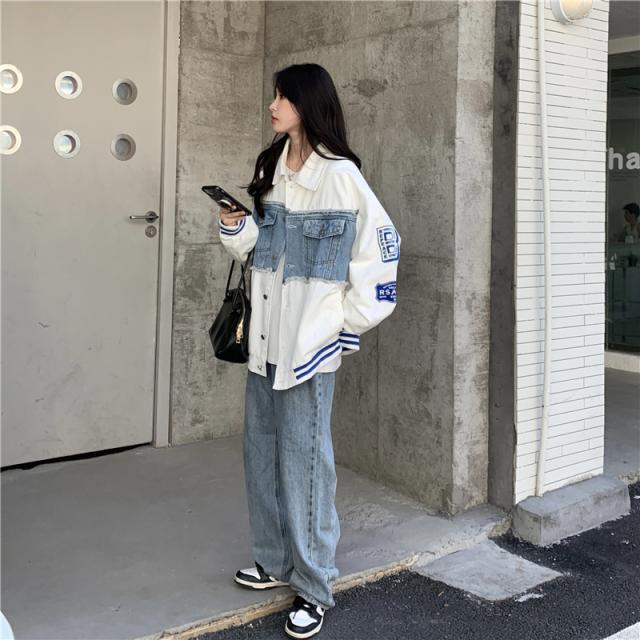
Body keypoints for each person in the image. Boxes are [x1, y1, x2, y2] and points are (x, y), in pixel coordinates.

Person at [216, 63, 401, 638]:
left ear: (307, 103)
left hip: (308, 351)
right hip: (265, 344)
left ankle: (315, 585)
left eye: (282, 96)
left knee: (306, 467)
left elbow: (382, 253)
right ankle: (273, 561)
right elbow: (260, 251)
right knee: (262, 457)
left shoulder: (340, 176)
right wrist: (236, 227)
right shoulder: (272, 167)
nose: (273, 105)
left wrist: (338, 326)